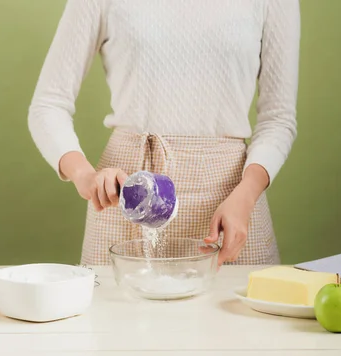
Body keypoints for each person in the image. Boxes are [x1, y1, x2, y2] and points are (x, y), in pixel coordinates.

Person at [28, 0, 300, 266]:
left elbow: (278, 119)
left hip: (233, 203)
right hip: (127, 198)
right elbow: (48, 105)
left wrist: (247, 193)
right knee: (115, 309)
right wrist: (85, 175)